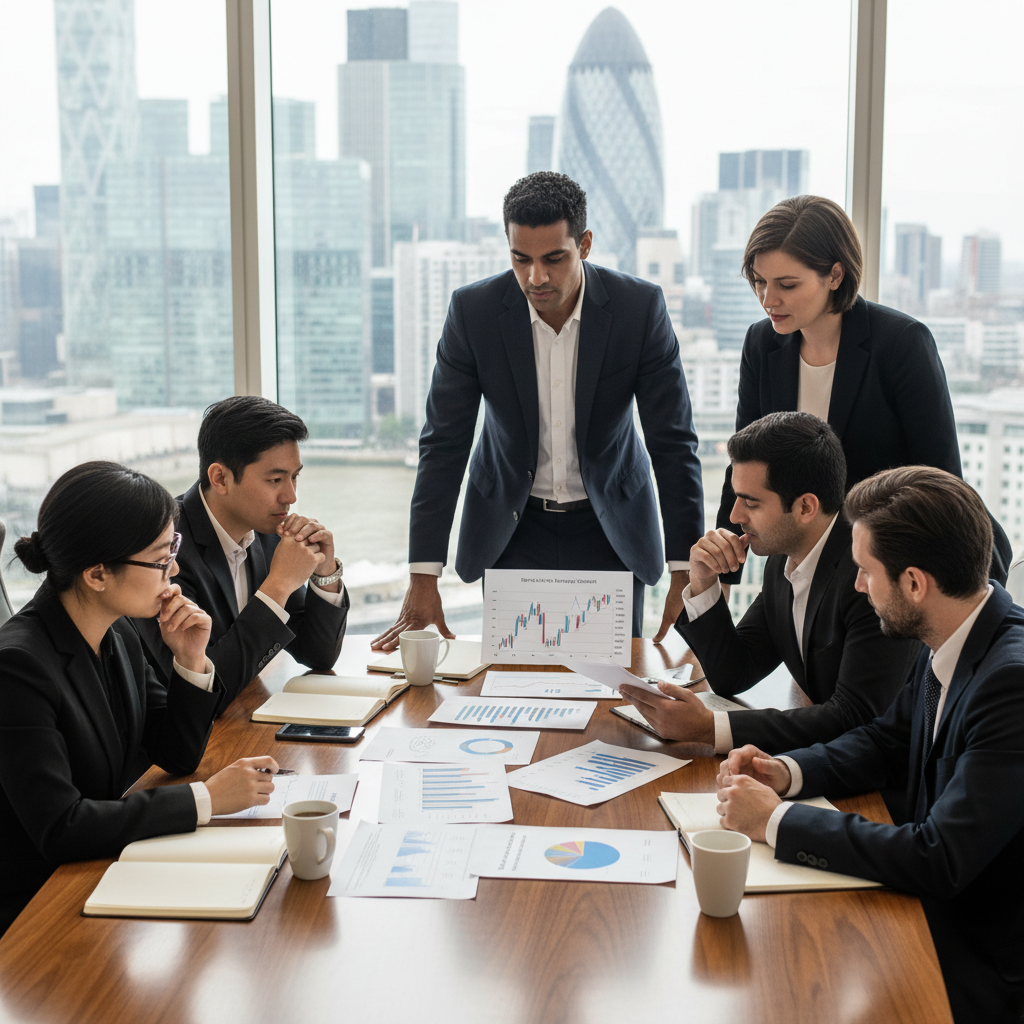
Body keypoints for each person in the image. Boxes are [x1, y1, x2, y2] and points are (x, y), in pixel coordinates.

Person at [715, 466, 1024, 1024]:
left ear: (913, 583)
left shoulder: (1012, 684)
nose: (856, 586)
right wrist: (783, 771)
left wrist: (775, 822)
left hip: (977, 962)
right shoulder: (954, 633)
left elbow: (939, 857)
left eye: (864, 571)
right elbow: (886, 741)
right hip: (924, 913)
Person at [371, 172, 704, 649]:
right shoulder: (474, 312)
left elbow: (673, 443)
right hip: (512, 527)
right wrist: (424, 573)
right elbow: (443, 444)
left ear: (584, 244)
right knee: (511, 688)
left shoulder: (638, 308)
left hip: (608, 526)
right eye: (520, 258)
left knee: (612, 693)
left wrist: (683, 568)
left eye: (554, 258)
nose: (536, 277)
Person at [0, 462, 279, 935]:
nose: (173, 568)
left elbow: (177, 751)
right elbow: (61, 827)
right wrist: (206, 799)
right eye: (158, 558)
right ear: (96, 574)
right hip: (40, 912)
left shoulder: (118, 632)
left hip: (106, 870)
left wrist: (190, 660)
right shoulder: (18, 668)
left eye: (173, 548)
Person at [716, 194, 1010, 586]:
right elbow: (745, 462)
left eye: (787, 284)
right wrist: (723, 567)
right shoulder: (762, 343)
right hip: (805, 558)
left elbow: (941, 479)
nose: (768, 300)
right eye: (759, 281)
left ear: (835, 276)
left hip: (894, 561)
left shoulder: (901, 343)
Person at [619, 412, 919, 753]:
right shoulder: (782, 558)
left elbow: (855, 717)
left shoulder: (869, 577)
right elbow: (736, 672)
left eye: (751, 502)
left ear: (806, 507)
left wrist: (710, 728)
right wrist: (703, 582)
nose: (734, 517)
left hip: (889, 776)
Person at [135, 396, 348, 709]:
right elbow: (209, 692)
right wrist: (278, 585)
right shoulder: (166, 551)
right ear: (220, 478)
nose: (290, 496)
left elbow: (318, 654)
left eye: (294, 476)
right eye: (275, 479)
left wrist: (326, 572)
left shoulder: (268, 531)